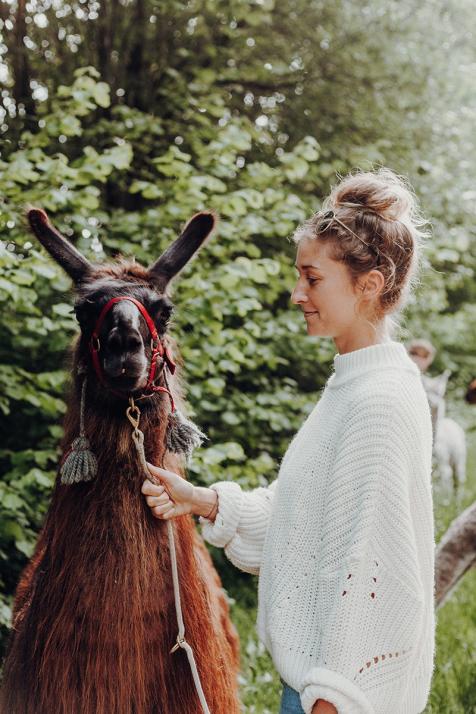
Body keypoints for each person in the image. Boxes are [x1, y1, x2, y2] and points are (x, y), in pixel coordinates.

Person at [142, 168, 436, 714]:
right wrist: (201, 499)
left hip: (336, 699)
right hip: (312, 689)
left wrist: (329, 702)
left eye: (313, 278)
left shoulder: (379, 402)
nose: (297, 293)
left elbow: (375, 576)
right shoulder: (353, 385)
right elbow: (303, 515)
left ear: (369, 285)